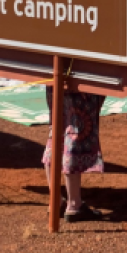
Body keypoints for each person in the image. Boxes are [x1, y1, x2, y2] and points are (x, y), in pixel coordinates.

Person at [43, 88, 106, 222]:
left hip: (53, 78)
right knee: (74, 132)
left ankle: (56, 200)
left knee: (56, 131)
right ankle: (73, 204)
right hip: (79, 82)